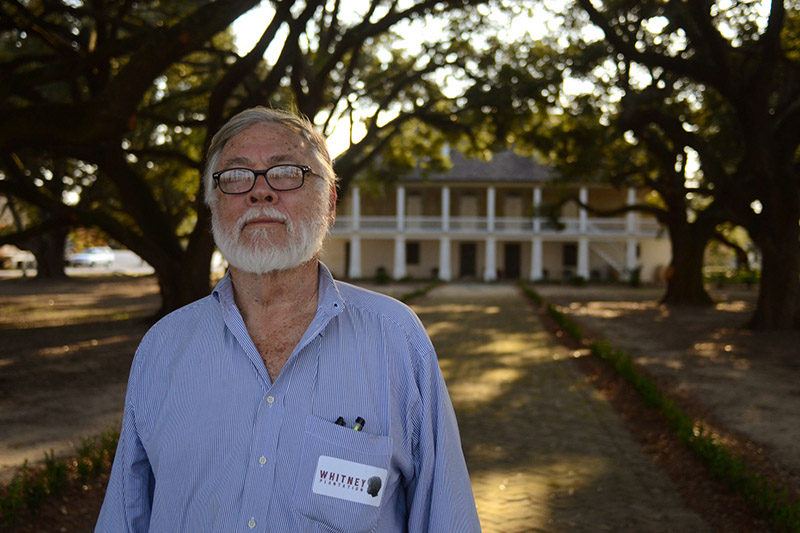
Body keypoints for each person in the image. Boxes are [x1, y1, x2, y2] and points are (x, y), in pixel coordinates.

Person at [96, 106, 481, 532]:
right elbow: (126, 514)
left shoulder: (396, 339)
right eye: (237, 176)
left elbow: (446, 515)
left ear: (330, 203)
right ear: (212, 205)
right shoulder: (163, 346)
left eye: (286, 172)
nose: (260, 192)